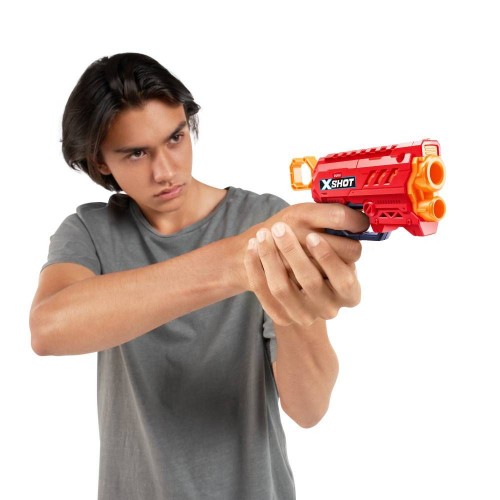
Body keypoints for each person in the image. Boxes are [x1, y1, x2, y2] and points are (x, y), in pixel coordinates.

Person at [30, 52, 369, 500]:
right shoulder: (90, 232)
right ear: (101, 161)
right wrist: (236, 262)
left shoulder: (265, 220)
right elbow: (48, 329)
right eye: (137, 153)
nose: (166, 171)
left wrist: (295, 309)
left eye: (175, 137)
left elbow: (309, 409)